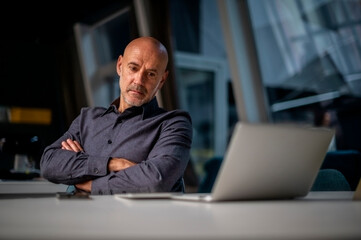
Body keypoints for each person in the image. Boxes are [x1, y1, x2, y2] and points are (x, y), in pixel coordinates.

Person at [40, 37, 193, 195]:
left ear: (162, 80)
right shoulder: (87, 118)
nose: (139, 80)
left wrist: (86, 182)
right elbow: (49, 163)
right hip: (78, 214)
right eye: (133, 68)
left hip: (135, 219)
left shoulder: (174, 124)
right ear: (120, 66)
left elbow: (156, 181)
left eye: (151, 74)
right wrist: (114, 164)